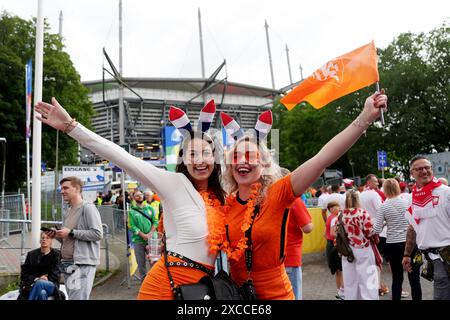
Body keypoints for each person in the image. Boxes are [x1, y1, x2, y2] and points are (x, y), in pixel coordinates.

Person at [35, 98, 225, 300]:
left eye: (205, 153)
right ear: (183, 160)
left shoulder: (222, 197)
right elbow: (122, 157)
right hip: (165, 289)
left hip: (201, 291)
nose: (199, 160)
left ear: (215, 157)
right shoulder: (173, 183)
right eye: (191, 154)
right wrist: (71, 127)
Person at [221, 90, 388, 299]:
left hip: (276, 294)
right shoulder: (225, 204)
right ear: (230, 164)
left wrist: (364, 118)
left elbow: (323, 158)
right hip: (236, 296)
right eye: (236, 156)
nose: (243, 161)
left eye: (250, 155)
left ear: (264, 164)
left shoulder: (279, 191)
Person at [42, 176, 103, 300]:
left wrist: (71, 232)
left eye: (65, 188)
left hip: (81, 264)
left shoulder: (88, 208)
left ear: (76, 189)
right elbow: (69, 237)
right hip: (68, 264)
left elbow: (97, 234)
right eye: (61, 188)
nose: (61, 191)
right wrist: (57, 236)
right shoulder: (68, 211)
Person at [402, 155, 450, 300]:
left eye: (427, 167)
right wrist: (406, 254)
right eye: (419, 169)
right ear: (412, 173)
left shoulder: (446, 193)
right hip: (430, 256)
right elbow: (413, 227)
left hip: (446, 254)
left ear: (431, 169)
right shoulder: (413, 197)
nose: (424, 171)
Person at [374, 178, 422, 300]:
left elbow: (377, 229)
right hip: (410, 242)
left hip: (393, 244)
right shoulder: (408, 203)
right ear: (397, 188)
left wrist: (386, 223)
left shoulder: (383, 206)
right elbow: (416, 221)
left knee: (397, 278)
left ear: (385, 189)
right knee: (415, 279)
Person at [341, 190, 379, 300]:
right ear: (358, 200)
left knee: (350, 281)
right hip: (363, 248)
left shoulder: (341, 214)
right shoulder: (362, 213)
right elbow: (369, 232)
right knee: (369, 280)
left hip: (347, 250)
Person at [360, 173, 389, 295]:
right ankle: (376, 287)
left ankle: (372, 286)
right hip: (378, 231)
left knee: (370, 260)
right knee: (377, 260)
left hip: (365, 231)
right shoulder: (373, 194)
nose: (378, 183)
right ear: (368, 183)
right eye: (375, 181)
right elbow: (381, 210)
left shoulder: (361, 194)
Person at [18, 232, 62, 300]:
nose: (44, 239)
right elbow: (24, 274)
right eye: (42, 238)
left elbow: (56, 273)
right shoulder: (31, 255)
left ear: (51, 241)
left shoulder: (57, 255)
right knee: (42, 293)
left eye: (47, 238)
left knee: (40, 283)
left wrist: (45, 279)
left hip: (51, 285)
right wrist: (37, 279)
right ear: (40, 241)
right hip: (33, 284)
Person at [285, 197, 313, 300]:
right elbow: (307, 228)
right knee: (294, 295)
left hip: (273, 258)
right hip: (290, 256)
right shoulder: (294, 200)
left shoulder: (269, 198)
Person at [128, 190, 158, 280]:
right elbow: (131, 226)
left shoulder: (150, 208)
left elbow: (156, 221)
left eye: (140, 195)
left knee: (154, 262)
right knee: (141, 264)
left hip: (152, 239)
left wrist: (150, 233)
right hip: (138, 241)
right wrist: (142, 235)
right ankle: (144, 284)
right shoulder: (132, 211)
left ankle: (154, 283)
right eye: (137, 196)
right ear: (133, 198)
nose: (140, 196)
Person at [325, 201, 344, 300]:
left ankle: (340, 292)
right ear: (331, 209)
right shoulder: (334, 218)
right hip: (334, 244)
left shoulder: (329, 218)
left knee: (338, 271)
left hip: (330, 244)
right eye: (337, 207)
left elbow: (325, 234)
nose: (339, 208)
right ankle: (342, 292)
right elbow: (332, 234)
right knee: (341, 270)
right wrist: (343, 237)